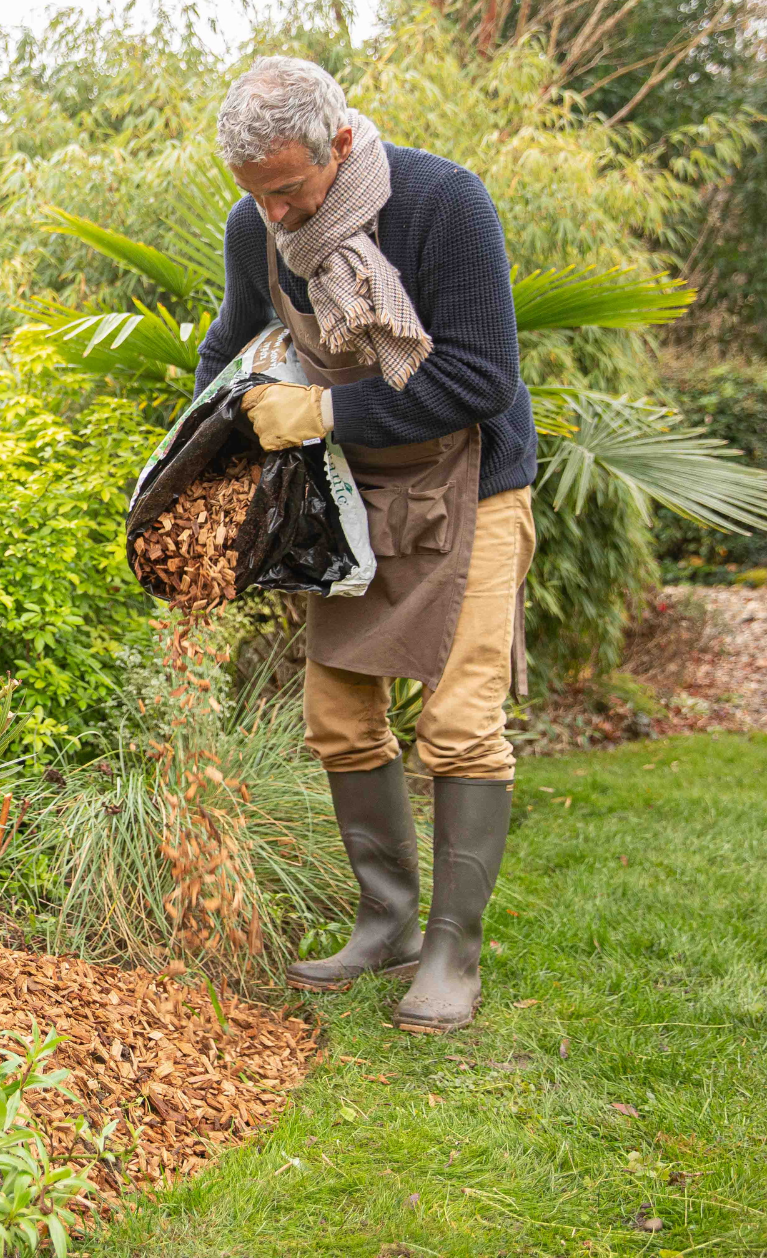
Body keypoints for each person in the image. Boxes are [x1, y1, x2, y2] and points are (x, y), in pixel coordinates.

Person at [196, 56, 538, 1034]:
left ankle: (449, 952)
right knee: (340, 717)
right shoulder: (255, 228)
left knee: (459, 727)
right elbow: (230, 342)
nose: (272, 213)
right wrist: (200, 442)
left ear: (337, 142)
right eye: (254, 194)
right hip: (348, 497)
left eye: (288, 188)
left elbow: (477, 377)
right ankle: (384, 920)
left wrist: (320, 407)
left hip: (469, 489)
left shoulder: (440, 203)